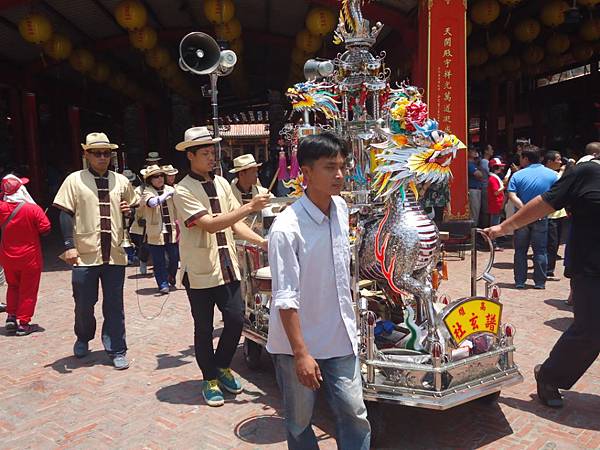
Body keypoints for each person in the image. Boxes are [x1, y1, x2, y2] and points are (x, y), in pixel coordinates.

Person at [267, 133, 371, 450]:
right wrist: (301, 353)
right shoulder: (286, 228)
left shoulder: (340, 208)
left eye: (342, 166)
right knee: (300, 420)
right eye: (330, 167)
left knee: (354, 412)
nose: (339, 174)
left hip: (339, 333)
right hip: (298, 342)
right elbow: (285, 297)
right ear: (307, 173)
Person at [484, 156, 600, 408]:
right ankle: (549, 376)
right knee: (590, 331)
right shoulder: (587, 172)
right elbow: (546, 203)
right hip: (592, 268)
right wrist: (505, 227)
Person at [172, 127, 270, 407]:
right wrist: (250, 207)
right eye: (205, 153)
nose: (211, 157)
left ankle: (222, 366)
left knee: (237, 320)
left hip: (228, 266)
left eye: (212, 152)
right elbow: (211, 224)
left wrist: (261, 242)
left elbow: (233, 223)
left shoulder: (222, 184)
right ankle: (209, 379)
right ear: (190, 156)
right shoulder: (182, 190)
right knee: (203, 329)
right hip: (201, 270)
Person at [53, 132, 137, 370]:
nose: (102, 157)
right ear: (86, 154)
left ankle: (117, 348)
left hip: (115, 253)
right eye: (97, 153)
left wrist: (128, 211)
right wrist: (69, 246)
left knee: (114, 304)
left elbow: (131, 208)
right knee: (83, 302)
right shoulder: (74, 180)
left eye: (106, 153)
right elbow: (65, 213)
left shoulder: (121, 181)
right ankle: (83, 336)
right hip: (84, 253)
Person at [0, 175, 51, 335]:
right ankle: (23, 323)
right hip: (30, 257)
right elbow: (46, 229)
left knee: (12, 286)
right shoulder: (32, 209)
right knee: (28, 290)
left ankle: (11, 316)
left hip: (7, 256)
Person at [507, 145, 557, 289]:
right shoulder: (552, 175)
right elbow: (557, 195)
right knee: (540, 250)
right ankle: (540, 282)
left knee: (520, 250)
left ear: (526, 158)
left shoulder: (518, 175)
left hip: (521, 218)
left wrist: (524, 210)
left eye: (521, 157)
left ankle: (520, 281)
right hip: (541, 217)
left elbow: (512, 195)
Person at [139, 165, 178, 294]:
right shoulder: (147, 191)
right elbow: (152, 203)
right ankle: (162, 284)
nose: (160, 178)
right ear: (150, 179)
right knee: (159, 261)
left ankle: (170, 276)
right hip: (156, 233)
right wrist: (167, 194)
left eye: (161, 175)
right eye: (156, 176)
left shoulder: (170, 189)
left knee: (174, 258)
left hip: (171, 231)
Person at [543, 150, 567, 281]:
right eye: (558, 159)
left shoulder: (556, 174)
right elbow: (561, 181)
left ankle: (547, 269)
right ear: (549, 162)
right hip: (550, 215)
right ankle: (547, 271)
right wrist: (564, 171)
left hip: (559, 214)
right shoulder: (550, 174)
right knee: (551, 244)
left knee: (555, 244)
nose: (560, 162)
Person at [487, 157, 506, 251]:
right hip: (496, 204)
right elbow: (496, 192)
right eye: (499, 167)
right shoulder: (492, 178)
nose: (501, 169)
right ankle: (493, 244)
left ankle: (493, 243)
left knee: (495, 223)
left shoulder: (494, 177)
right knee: (495, 224)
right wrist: (505, 185)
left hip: (497, 204)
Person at [468, 147, 484, 226]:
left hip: (477, 189)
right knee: (474, 211)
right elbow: (479, 174)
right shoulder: (469, 164)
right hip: (473, 189)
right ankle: (473, 230)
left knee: (477, 210)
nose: (475, 152)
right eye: (472, 151)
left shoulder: (475, 163)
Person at [479, 145, 494, 227]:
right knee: (486, 210)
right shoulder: (485, 162)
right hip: (486, 187)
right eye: (491, 149)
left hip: (487, 187)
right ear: (486, 151)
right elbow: (490, 173)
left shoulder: (486, 161)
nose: (492, 150)